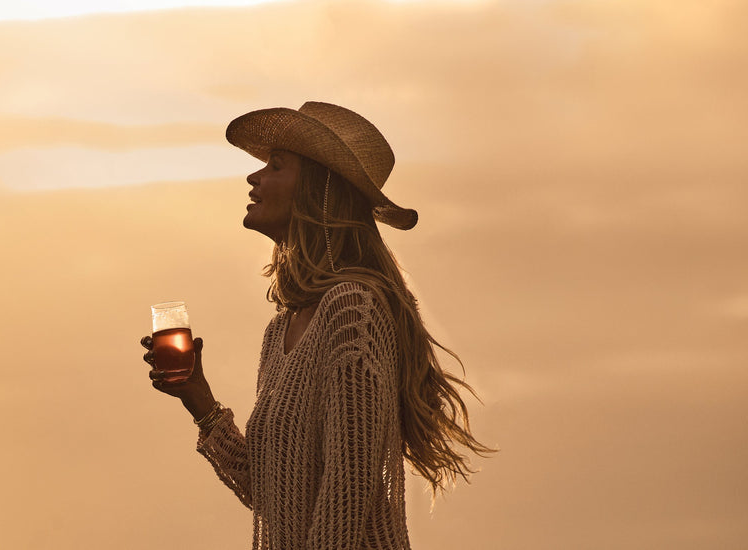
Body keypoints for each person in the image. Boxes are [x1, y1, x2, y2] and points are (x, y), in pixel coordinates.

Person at [140, 101, 494, 550]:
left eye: (275, 166)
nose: (254, 177)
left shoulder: (352, 312)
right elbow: (276, 494)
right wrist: (199, 399)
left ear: (316, 189)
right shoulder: (281, 331)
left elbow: (346, 499)